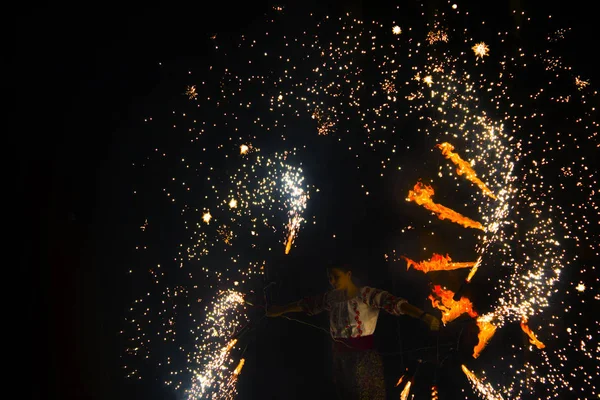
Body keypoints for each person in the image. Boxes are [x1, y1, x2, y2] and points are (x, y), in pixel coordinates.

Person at [266, 262, 441, 400]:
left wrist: (425, 316)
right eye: (330, 278)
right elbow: (307, 305)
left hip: (364, 360)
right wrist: (280, 310)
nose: (333, 282)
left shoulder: (366, 295)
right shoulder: (331, 298)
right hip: (341, 359)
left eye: (336, 277)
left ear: (348, 275)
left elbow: (397, 304)